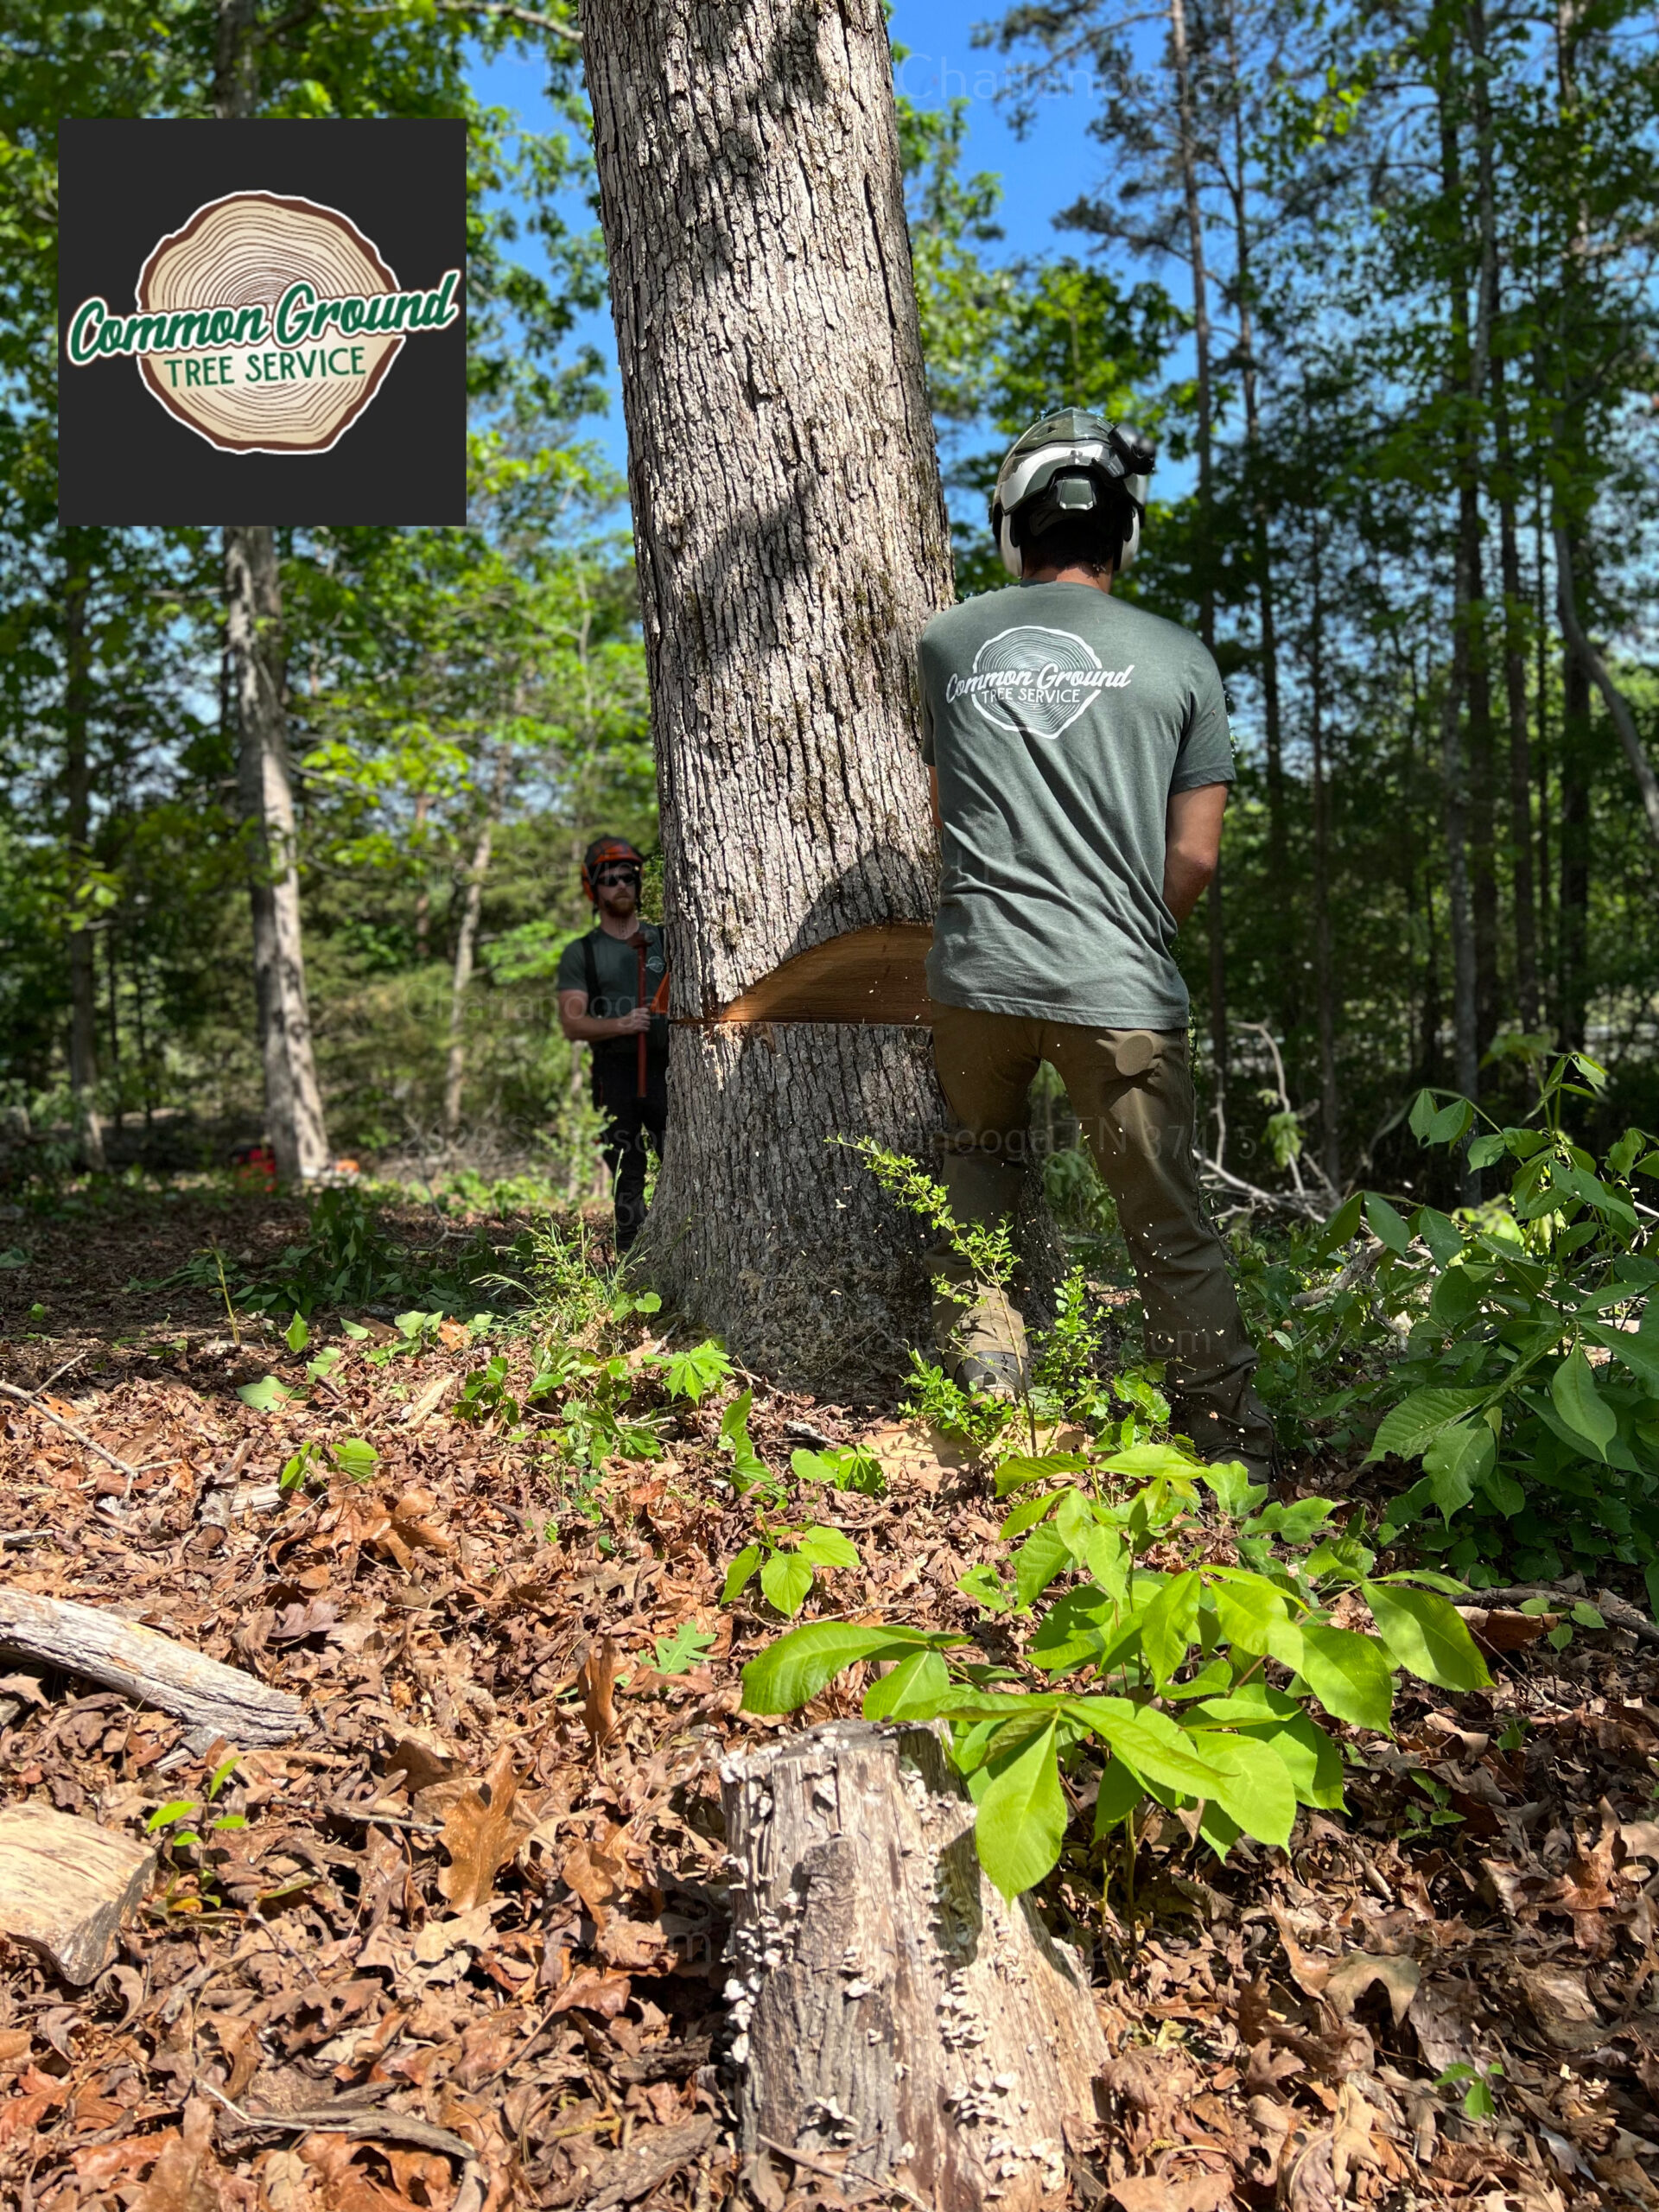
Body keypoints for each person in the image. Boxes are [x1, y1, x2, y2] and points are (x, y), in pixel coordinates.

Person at [918, 406, 1277, 1477]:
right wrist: (1126, 935)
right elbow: (1196, 857)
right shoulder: (1182, 659)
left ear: (1013, 525)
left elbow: (946, 807)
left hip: (976, 978)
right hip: (1119, 989)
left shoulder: (946, 643)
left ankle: (987, 1398)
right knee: (1165, 1224)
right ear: (1124, 530)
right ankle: (1229, 1451)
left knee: (979, 1173)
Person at [556, 838, 670, 1255]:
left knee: (681, 1153)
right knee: (626, 1166)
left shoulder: (666, 939)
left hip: (669, 1070)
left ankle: (686, 1242)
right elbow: (572, 1023)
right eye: (610, 879)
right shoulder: (582, 952)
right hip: (614, 1073)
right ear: (593, 888)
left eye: (628, 877)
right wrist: (622, 1024)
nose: (621, 885)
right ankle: (631, 1255)